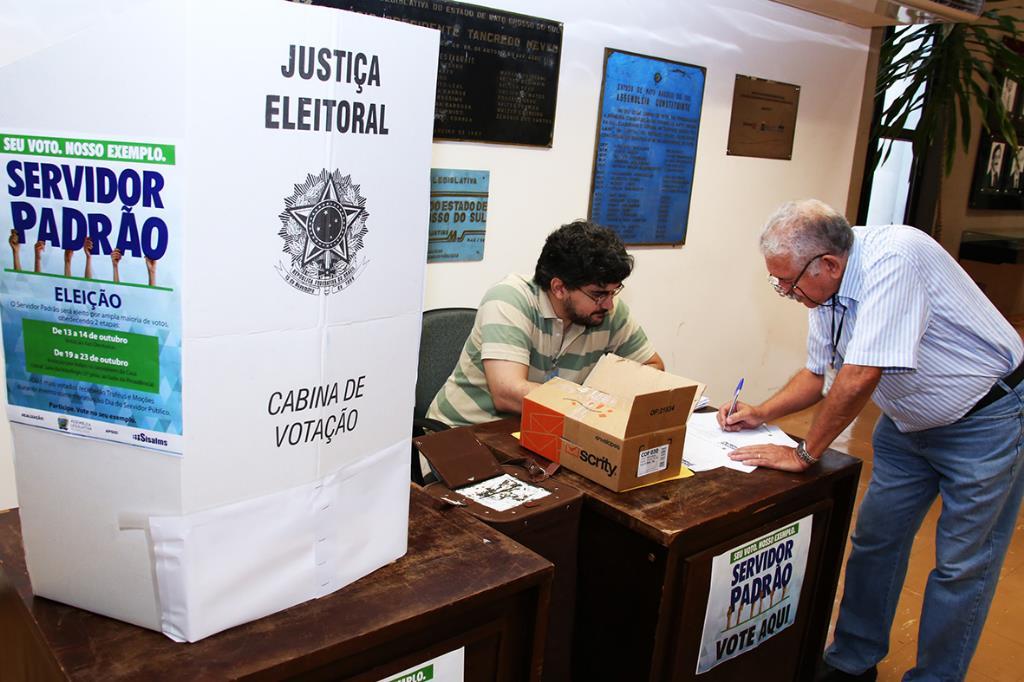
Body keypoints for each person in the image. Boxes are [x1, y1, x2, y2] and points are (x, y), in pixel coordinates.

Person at [718, 199, 1024, 681]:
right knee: (876, 539)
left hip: (984, 420)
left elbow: (859, 376)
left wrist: (804, 452)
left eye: (787, 282)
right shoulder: (823, 285)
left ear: (829, 264)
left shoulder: (896, 260)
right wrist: (762, 411)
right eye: (776, 281)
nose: (783, 291)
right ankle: (852, 661)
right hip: (907, 423)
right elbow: (819, 376)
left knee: (962, 565)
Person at [427, 219, 664, 427]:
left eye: (614, 292)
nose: (609, 304)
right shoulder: (510, 299)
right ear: (559, 288)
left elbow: (653, 368)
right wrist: (592, 402)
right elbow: (508, 394)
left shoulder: (605, 311)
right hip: (461, 436)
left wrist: (601, 395)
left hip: (539, 433)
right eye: (599, 294)